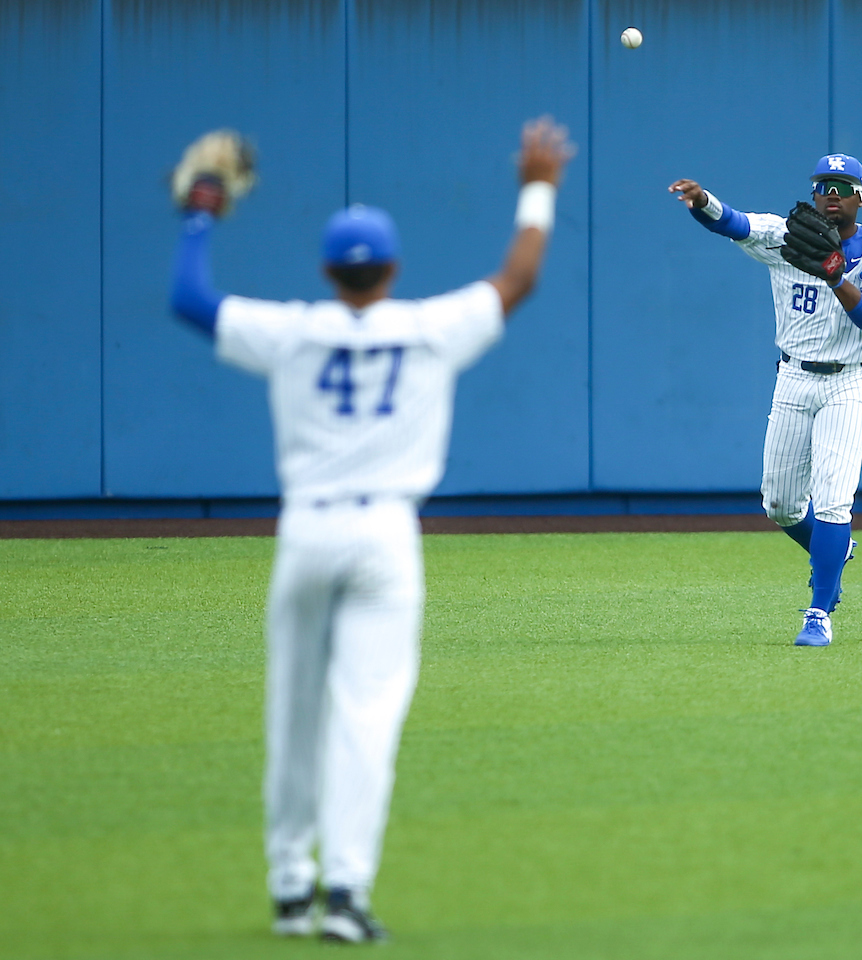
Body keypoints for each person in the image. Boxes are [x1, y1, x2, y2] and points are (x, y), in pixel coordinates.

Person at [169, 117, 574, 942]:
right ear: (393, 269)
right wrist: (538, 185)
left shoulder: (292, 331)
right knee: (366, 719)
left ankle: (291, 888)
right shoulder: (428, 327)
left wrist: (201, 211)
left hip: (306, 534)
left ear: (327, 272)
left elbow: (189, 300)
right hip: (388, 537)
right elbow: (519, 276)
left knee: (293, 714)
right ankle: (347, 894)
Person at [668, 155, 862, 647]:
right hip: (794, 378)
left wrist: (837, 277)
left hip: (850, 382)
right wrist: (702, 201)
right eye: (824, 186)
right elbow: (733, 223)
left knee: (834, 499)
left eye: (843, 187)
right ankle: (832, 552)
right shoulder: (785, 236)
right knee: (779, 504)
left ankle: (819, 612)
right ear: (813, 193)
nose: (832, 195)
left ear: (860, 197)